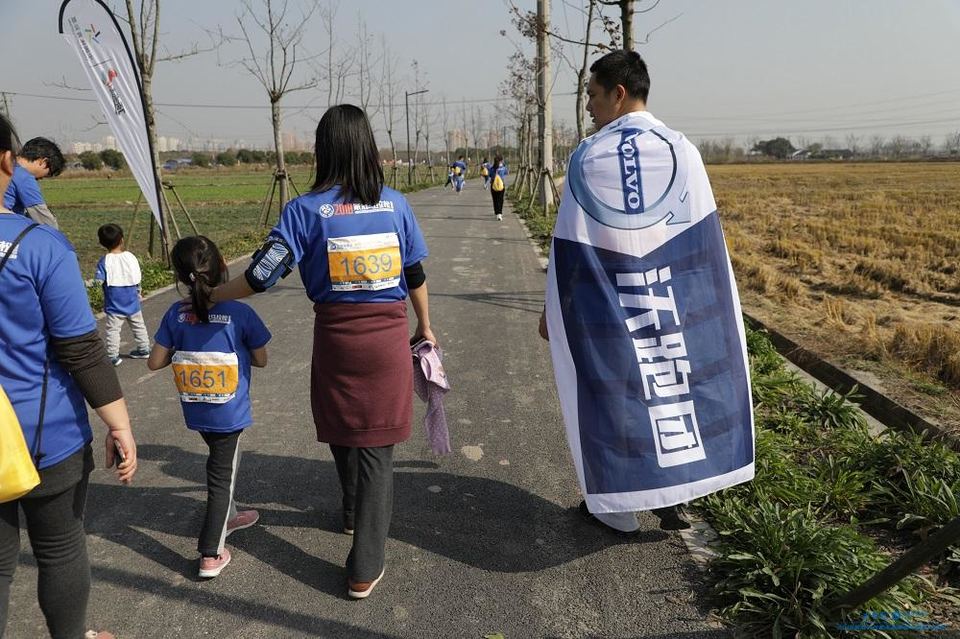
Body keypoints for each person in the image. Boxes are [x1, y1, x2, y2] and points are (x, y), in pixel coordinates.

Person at [202, 104, 435, 599]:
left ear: (323, 151)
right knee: (376, 447)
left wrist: (210, 296)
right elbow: (414, 274)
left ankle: (351, 511)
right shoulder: (396, 205)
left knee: (343, 425)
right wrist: (426, 327)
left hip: (335, 339)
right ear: (369, 148)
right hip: (388, 339)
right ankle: (364, 567)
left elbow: (262, 275)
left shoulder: (304, 212)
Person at [539, 50, 754, 534]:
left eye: (593, 96)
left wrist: (553, 309)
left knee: (617, 394)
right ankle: (674, 498)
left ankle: (616, 505)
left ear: (618, 94)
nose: (589, 107)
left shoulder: (588, 157)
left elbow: (570, 245)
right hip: (672, 297)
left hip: (612, 303)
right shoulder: (683, 150)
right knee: (674, 385)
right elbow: (704, 240)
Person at [0, 114, 137, 639]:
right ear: (9, 164)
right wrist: (119, 424)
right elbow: (81, 349)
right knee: (58, 549)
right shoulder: (40, 246)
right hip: (43, 433)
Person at [147, 236, 270, 579]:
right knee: (221, 477)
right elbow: (261, 360)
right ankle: (211, 553)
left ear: (179, 276)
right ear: (223, 269)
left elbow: (154, 362)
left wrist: (184, 343)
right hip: (228, 413)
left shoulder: (175, 314)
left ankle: (229, 517)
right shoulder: (240, 313)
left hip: (197, 410)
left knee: (223, 465)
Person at [94, 223, 151, 366]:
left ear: (102, 243)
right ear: (122, 240)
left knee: (113, 330)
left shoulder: (104, 261)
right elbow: (136, 277)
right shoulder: (130, 257)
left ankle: (113, 355)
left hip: (114, 303)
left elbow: (99, 281)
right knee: (139, 325)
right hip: (132, 300)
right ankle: (144, 348)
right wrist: (138, 292)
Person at [2, 137, 65, 229]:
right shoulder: (24, 177)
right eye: (48, 173)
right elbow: (44, 220)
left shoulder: (4, 164)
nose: (41, 178)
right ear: (43, 162)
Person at [489, 156, 508, 222]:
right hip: (501, 185)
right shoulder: (503, 168)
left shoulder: (492, 168)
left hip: (493, 185)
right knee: (500, 199)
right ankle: (500, 213)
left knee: (495, 199)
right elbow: (506, 173)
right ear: (501, 160)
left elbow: (490, 175)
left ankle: (496, 213)